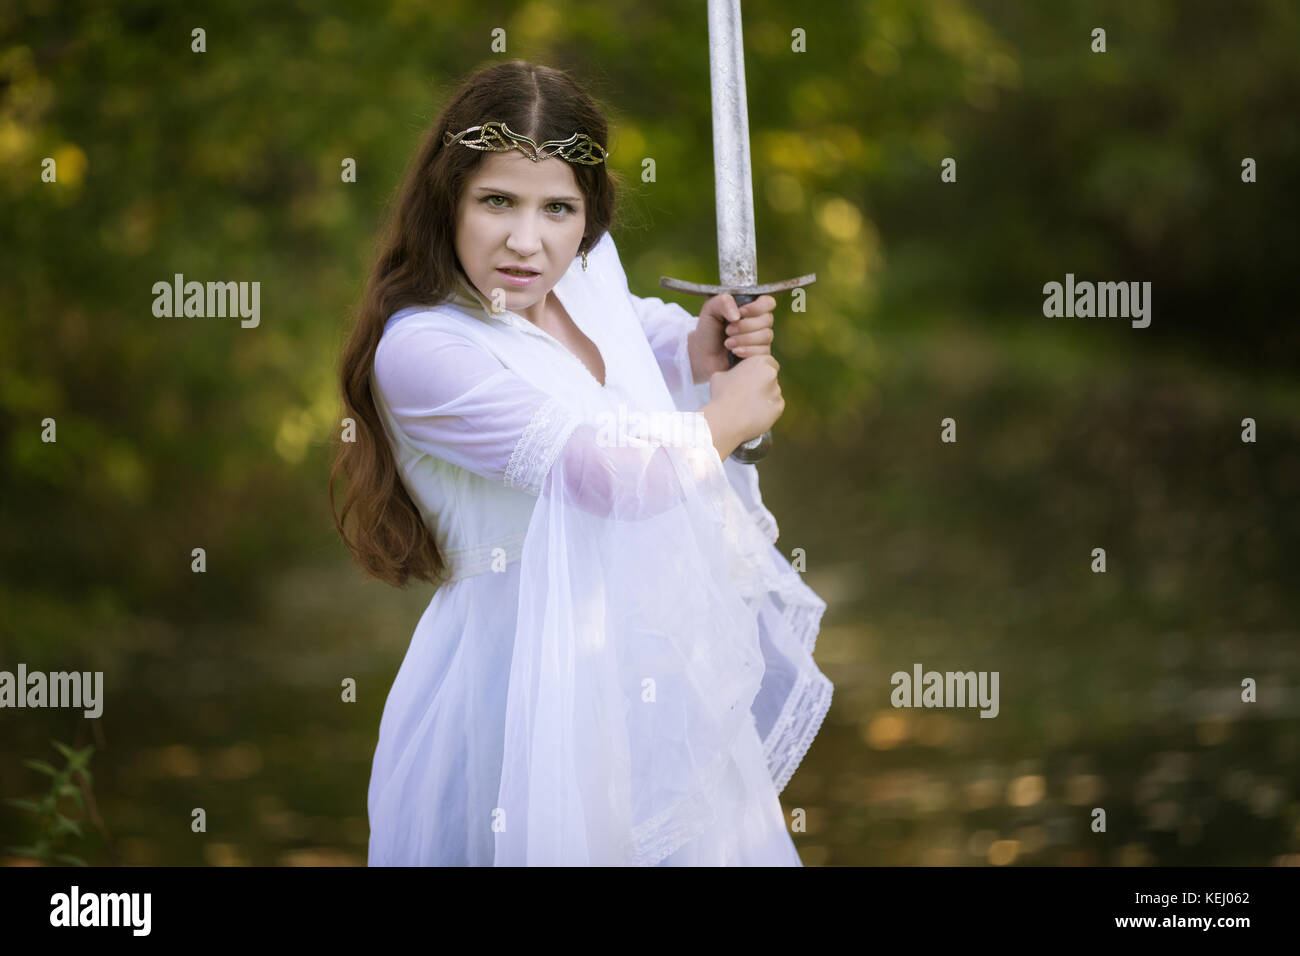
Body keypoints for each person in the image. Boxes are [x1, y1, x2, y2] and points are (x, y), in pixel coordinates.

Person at [331, 60, 832, 866]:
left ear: (588, 216)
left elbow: (631, 340)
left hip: (651, 677)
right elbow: (601, 471)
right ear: (446, 199)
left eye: (557, 208)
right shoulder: (424, 349)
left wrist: (695, 347)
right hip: (521, 703)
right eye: (496, 201)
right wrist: (723, 424)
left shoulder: (585, 273)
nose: (526, 242)